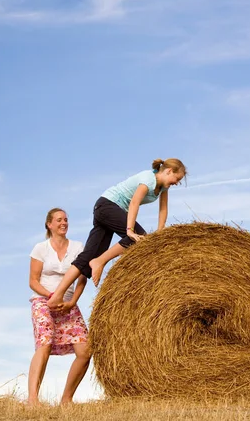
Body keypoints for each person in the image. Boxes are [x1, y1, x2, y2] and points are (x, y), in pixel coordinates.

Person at [48, 158, 187, 310]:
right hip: (107, 205)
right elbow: (134, 202)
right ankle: (100, 261)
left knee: (88, 257)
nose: (177, 183)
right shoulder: (148, 179)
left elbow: (163, 210)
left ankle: (57, 296)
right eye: (177, 179)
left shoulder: (163, 188)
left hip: (106, 209)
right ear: (168, 171)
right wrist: (130, 231)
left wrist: (160, 233)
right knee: (139, 238)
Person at [27, 208, 91, 406]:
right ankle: (32, 399)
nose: (63, 223)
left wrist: (72, 302)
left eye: (65, 220)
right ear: (49, 224)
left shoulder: (78, 247)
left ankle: (66, 399)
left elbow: (82, 279)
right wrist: (52, 296)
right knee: (44, 345)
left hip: (68, 304)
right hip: (43, 302)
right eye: (58, 220)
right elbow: (33, 281)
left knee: (85, 350)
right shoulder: (40, 248)